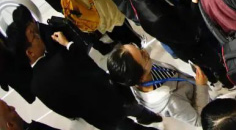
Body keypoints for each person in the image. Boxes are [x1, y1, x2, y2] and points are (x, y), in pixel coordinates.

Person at [5, 21, 156, 130]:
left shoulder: (35, 87)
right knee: (134, 111)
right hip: (110, 98)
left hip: (97, 118)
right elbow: (89, 66)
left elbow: (66, 112)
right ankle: (146, 115)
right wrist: (68, 45)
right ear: (29, 52)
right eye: (34, 37)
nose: (39, 36)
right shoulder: (60, 58)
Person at [125, 0, 230, 87]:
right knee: (214, 64)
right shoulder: (156, 17)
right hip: (193, 47)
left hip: (180, 27)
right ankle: (225, 81)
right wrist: (194, 2)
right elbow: (192, 34)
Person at [108, 43, 210, 127]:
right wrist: (201, 86)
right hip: (204, 105)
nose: (145, 51)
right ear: (141, 77)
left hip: (194, 88)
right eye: (142, 55)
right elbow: (199, 121)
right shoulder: (170, 101)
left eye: (138, 47)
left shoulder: (141, 72)